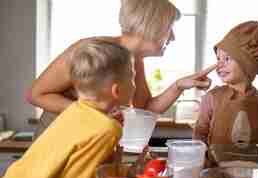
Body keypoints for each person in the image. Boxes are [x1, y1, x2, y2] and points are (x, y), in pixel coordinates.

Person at [28, 0, 214, 136]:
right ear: (153, 26)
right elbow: (36, 94)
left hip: (87, 142)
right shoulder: (88, 50)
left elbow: (146, 109)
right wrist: (95, 114)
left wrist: (179, 86)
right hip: (56, 140)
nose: (172, 38)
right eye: (169, 29)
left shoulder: (134, 59)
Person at [0, 40, 136, 178]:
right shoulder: (107, 128)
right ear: (116, 90)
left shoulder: (74, 111)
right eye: (133, 78)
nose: (135, 85)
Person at [193, 21, 258, 146]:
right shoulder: (211, 98)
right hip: (216, 166)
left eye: (227, 58)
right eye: (218, 58)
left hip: (255, 166)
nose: (219, 65)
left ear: (248, 66)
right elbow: (199, 136)